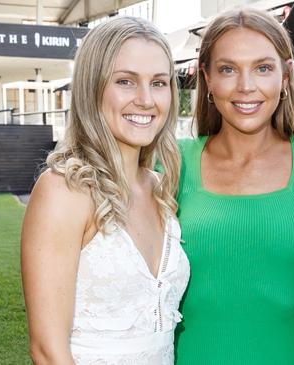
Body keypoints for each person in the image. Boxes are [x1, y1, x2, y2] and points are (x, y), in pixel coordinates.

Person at [21, 17, 189, 364]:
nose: (145, 100)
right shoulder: (64, 191)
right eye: (125, 81)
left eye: (158, 83)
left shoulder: (159, 188)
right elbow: (48, 351)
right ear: (92, 87)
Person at [173, 7, 294, 365]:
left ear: (285, 76)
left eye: (263, 67)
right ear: (207, 78)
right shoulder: (173, 162)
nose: (246, 86)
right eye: (228, 69)